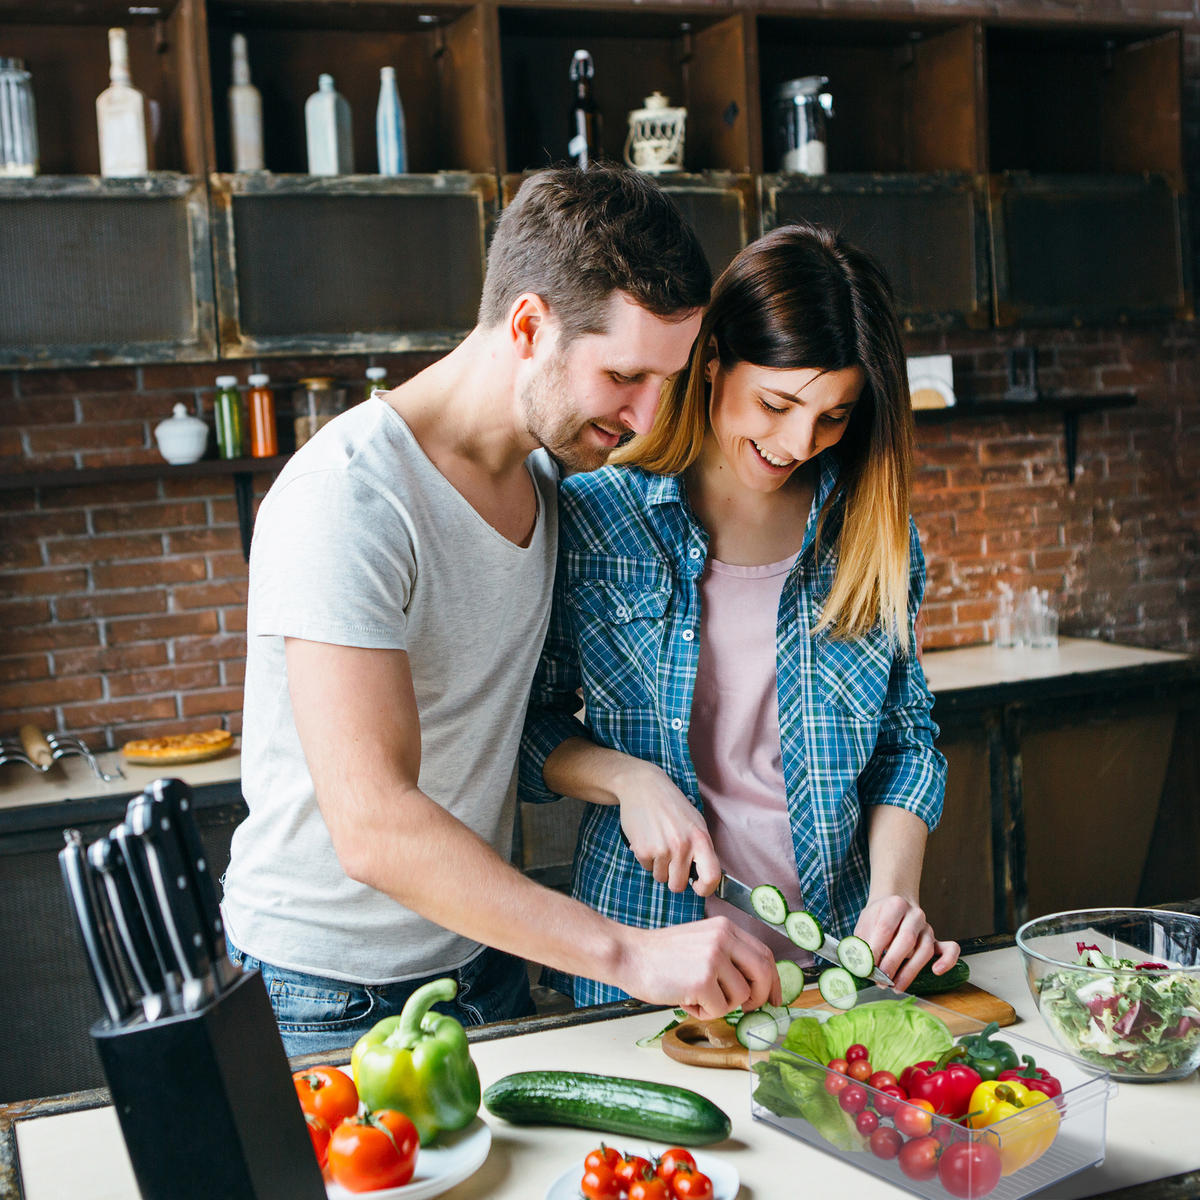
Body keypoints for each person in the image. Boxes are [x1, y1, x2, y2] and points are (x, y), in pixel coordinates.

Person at [220, 165, 781, 1057]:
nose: (645, 417)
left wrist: (629, 776)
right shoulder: (351, 496)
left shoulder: (551, 479)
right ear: (527, 326)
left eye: (665, 381)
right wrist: (630, 954)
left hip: (484, 963)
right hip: (324, 995)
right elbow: (373, 826)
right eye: (624, 375)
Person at [519, 222, 958, 1007]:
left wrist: (895, 896)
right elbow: (528, 728)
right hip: (647, 963)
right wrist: (627, 779)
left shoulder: (874, 539)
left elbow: (906, 743)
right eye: (776, 404)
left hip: (834, 968)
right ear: (713, 360)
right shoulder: (597, 517)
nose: (799, 442)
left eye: (834, 416)